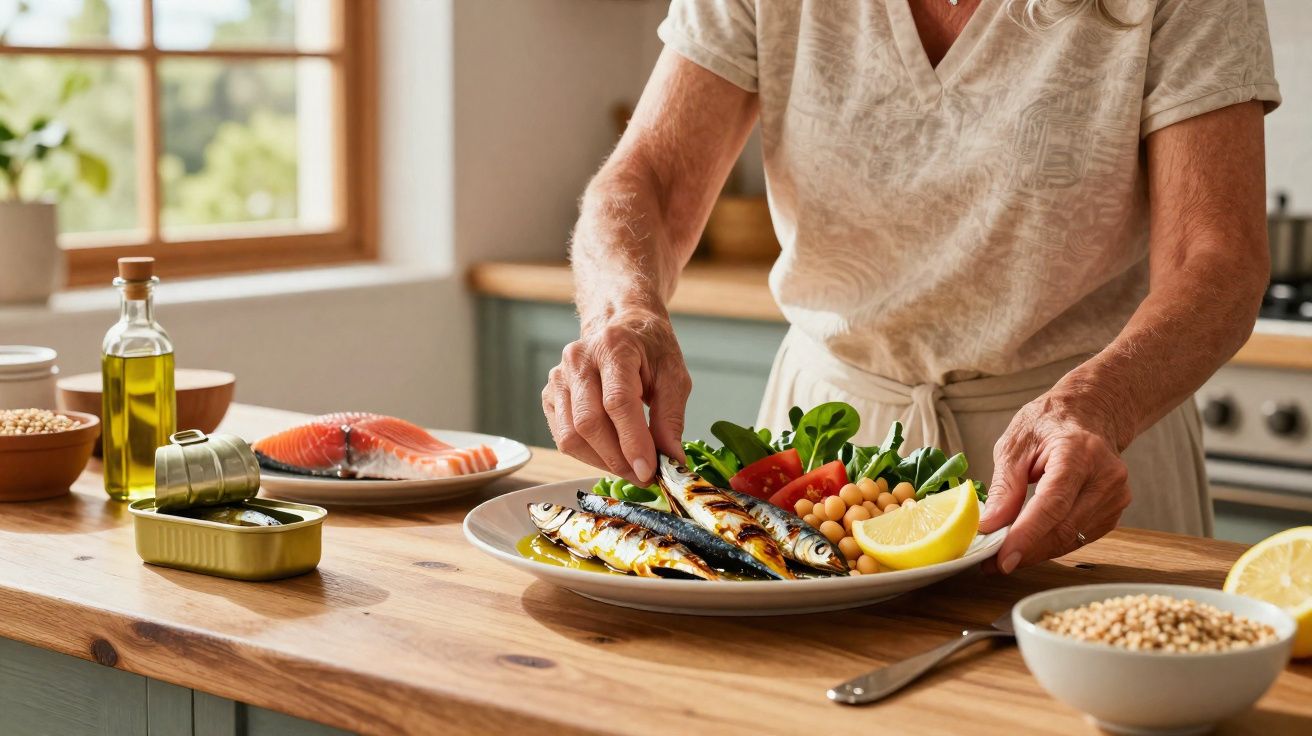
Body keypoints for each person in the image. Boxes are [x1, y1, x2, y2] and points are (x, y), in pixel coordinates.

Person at [541, 0, 1279, 573]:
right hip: (824, 463)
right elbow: (650, 178)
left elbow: (1216, 256)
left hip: (1082, 456)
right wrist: (623, 312)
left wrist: (1096, 405)